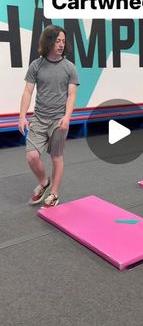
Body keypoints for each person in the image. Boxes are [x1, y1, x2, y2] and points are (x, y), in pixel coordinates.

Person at [18, 25, 79, 207]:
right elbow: (28, 92)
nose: (61, 44)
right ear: (48, 42)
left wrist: (67, 117)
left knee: (56, 157)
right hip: (39, 118)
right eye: (57, 40)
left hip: (58, 120)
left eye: (63, 41)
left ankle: (54, 193)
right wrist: (22, 116)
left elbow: (72, 94)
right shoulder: (36, 65)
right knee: (32, 156)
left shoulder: (69, 68)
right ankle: (44, 182)